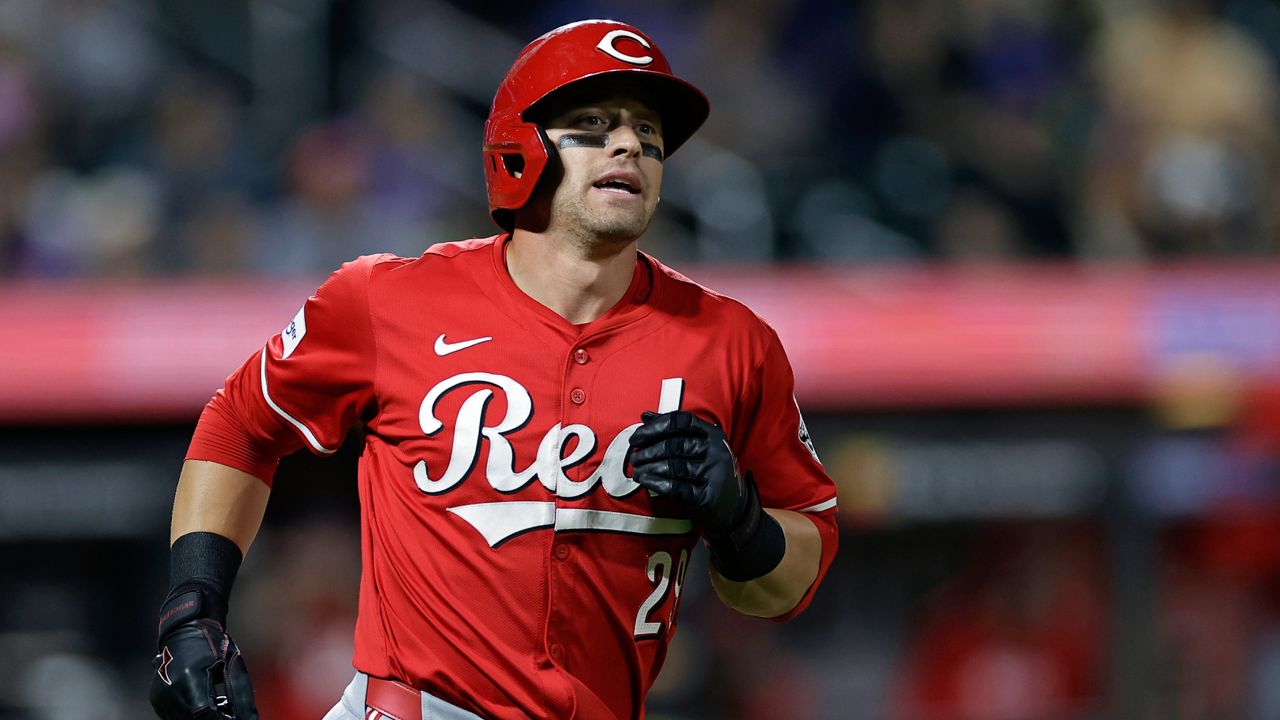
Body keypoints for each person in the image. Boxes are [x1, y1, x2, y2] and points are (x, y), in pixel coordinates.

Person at [148, 19, 839, 720]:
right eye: (595, 123)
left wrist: (742, 523)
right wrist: (191, 608)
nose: (631, 143)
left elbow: (792, 582)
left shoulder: (733, 343)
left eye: (648, 131)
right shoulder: (389, 300)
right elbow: (240, 424)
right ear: (522, 148)